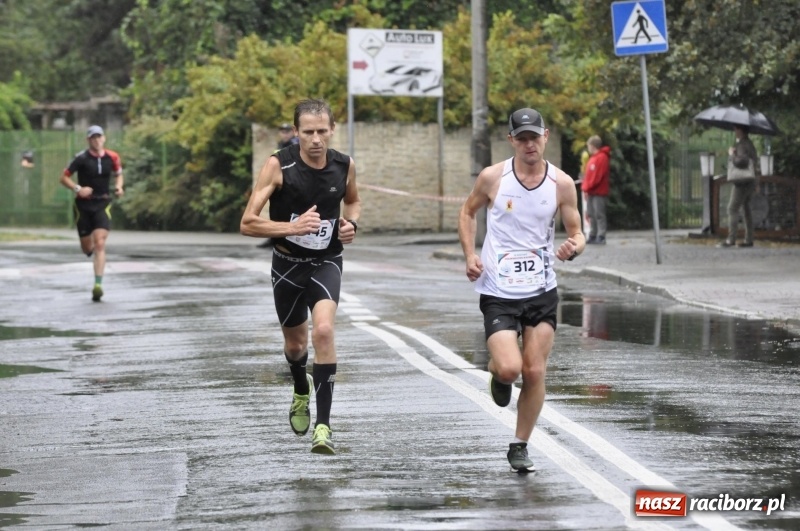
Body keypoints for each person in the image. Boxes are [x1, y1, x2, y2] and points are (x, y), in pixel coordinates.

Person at [458, 107, 585, 473]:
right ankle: (499, 375)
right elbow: (467, 212)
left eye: (536, 136)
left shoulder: (561, 184)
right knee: (511, 368)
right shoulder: (493, 178)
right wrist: (470, 255)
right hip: (499, 287)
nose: (530, 144)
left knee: (534, 371)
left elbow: (578, 232)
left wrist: (573, 247)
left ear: (546, 136)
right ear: (512, 140)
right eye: (523, 138)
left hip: (542, 289)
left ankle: (520, 444)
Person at [240, 99, 361, 455]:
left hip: (326, 261)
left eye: (322, 131)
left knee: (323, 330)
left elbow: (353, 202)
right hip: (287, 264)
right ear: (296, 133)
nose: (316, 139)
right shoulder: (278, 166)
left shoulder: (344, 165)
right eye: (307, 132)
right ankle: (299, 387)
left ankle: (323, 427)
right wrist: (291, 227)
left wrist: (351, 224)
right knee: (295, 346)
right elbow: (247, 223)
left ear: (332, 130)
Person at [59, 125, 124, 302]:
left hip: (102, 203)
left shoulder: (112, 157)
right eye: (93, 138)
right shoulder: (81, 158)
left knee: (100, 243)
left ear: (104, 138)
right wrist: (78, 188)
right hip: (83, 206)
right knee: (87, 248)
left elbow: (119, 173)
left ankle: (98, 285)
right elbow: (64, 177)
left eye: (99, 137)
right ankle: (92, 253)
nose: (96, 140)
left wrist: (119, 187)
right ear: (88, 140)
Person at [257, 123, 301, 249]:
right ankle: (274, 238)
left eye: (287, 131)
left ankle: (287, 239)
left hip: (291, 181)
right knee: (276, 211)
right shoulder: (281, 145)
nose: (285, 134)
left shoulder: (295, 144)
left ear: (292, 132)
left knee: (290, 212)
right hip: (280, 181)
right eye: (282, 131)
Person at [721, 125, 758, 248]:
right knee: (746, 208)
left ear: (741, 130)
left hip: (742, 182)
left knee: (732, 208)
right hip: (751, 180)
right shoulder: (749, 143)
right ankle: (749, 239)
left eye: (736, 129)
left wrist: (732, 154)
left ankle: (731, 239)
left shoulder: (742, 144)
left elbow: (741, 162)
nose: (734, 131)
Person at [581, 135, 611, 244]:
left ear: (593, 146)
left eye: (589, 145)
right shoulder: (593, 158)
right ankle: (593, 234)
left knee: (599, 214)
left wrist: (587, 187)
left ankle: (601, 235)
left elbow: (597, 177)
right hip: (591, 191)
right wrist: (586, 188)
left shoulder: (602, 158)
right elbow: (588, 175)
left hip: (598, 191)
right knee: (591, 214)